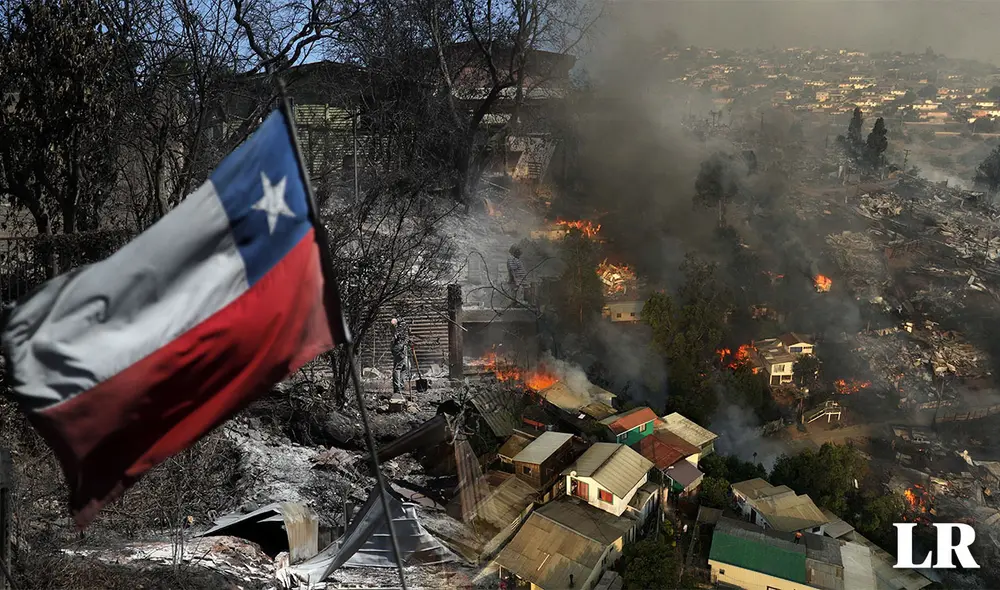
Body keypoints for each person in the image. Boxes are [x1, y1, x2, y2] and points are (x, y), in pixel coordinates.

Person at [390, 318, 410, 395]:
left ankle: (401, 387)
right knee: (398, 367)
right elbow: (392, 322)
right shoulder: (397, 323)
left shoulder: (404, 325)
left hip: (403, 347)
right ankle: (397, 389)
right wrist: (397, 320)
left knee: (406, 367)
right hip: (398, 347)